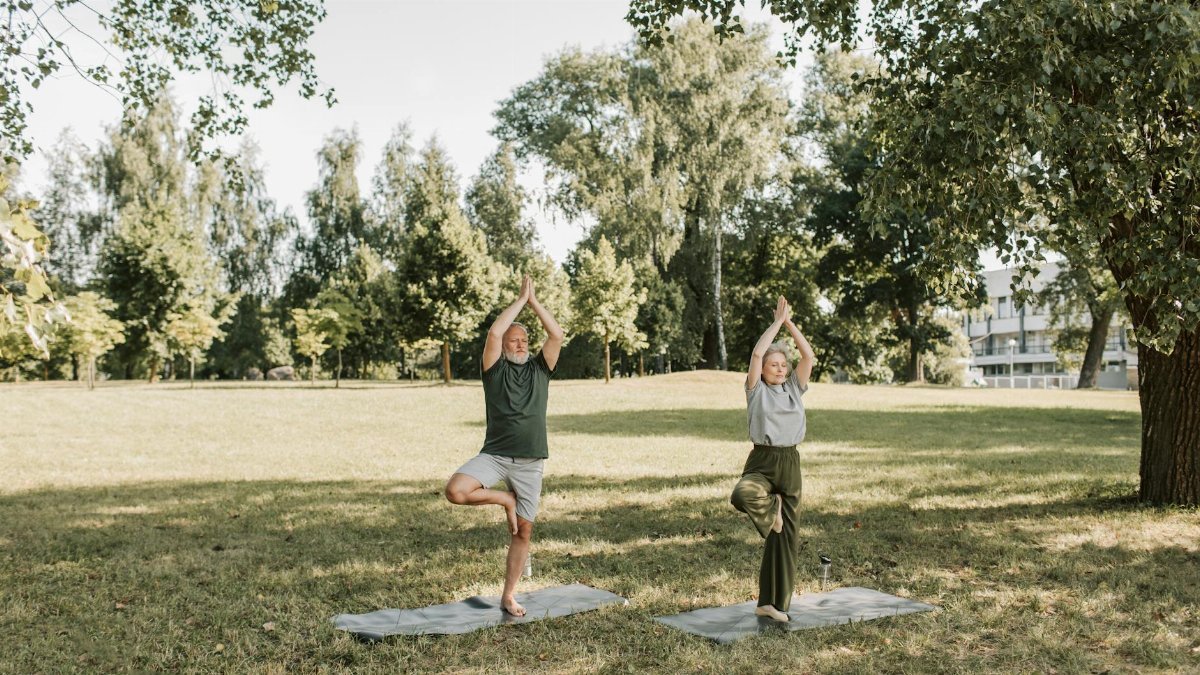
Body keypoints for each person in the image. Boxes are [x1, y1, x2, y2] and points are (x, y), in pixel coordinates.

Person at [444, 274, 564, 616]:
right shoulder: (493, 371)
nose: (521, 344)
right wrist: (519, 301)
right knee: (456, 490)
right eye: (515, 341)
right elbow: (495, 332)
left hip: (530, 463)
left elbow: (556, 334)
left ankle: (509, 595)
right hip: (494, 456)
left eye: (525, 339)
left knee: (523, 532)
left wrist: (534, 301)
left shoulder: (541, 370)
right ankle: (504, 499)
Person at [730, 295, 815, 622]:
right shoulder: (755, 390)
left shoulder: (795, 388)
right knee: (742, 494)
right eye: (772, 364)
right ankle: (771, 512)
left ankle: (772, 604)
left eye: (783, 364)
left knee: (785, 543)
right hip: (762, 462)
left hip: (790, 463)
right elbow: (755, 352)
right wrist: (776, 323)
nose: (779, 369)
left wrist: (790, 323)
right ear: (762, 370)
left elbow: (807, 354)